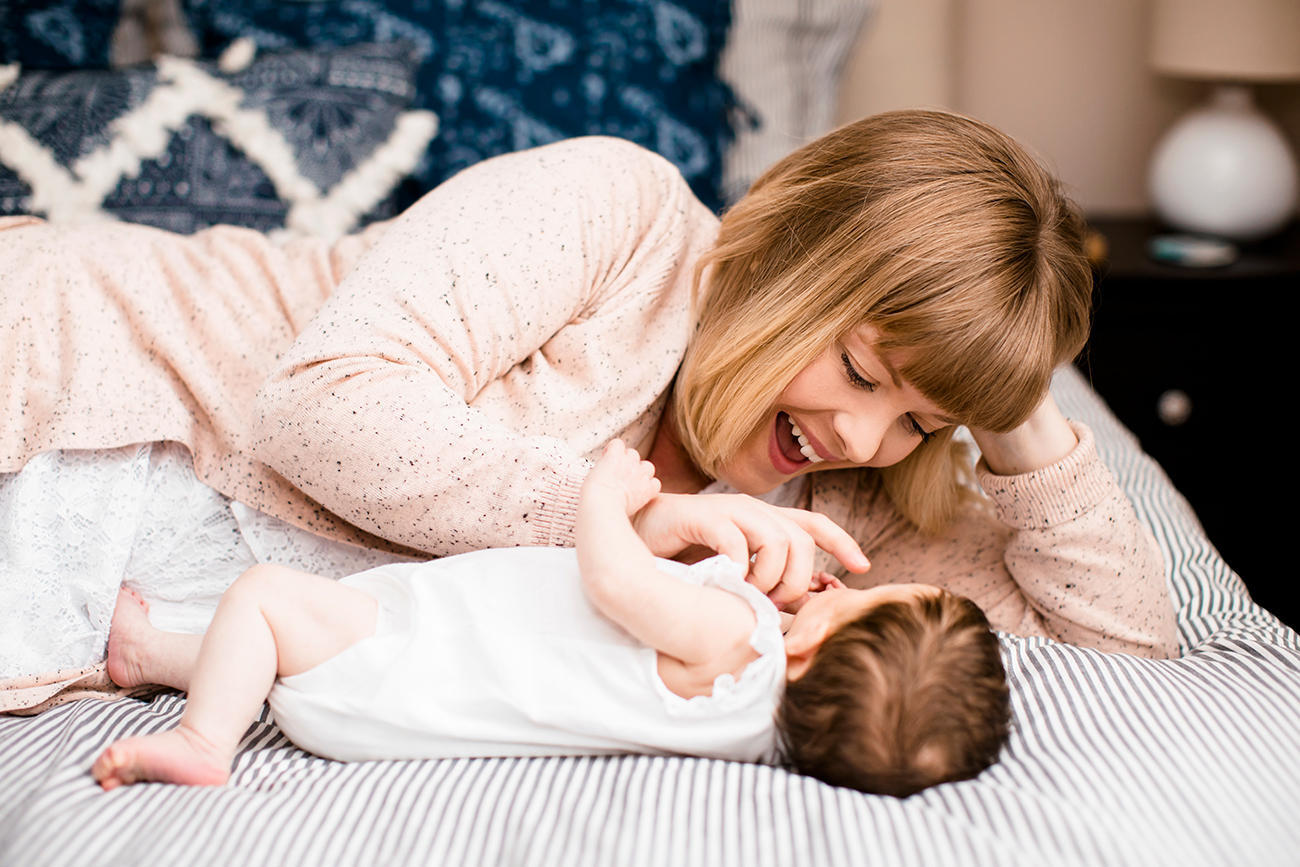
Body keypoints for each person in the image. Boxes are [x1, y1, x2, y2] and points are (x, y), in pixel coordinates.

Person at [1, 110, 1178, 713]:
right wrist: (625, 516)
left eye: (924, 422)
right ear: (786, 256)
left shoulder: (841, 502)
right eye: (865, 373)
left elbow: (1120, 659)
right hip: (78, 373)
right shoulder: (622, 212)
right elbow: (320, 407)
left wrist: (1016, 406)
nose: (867, 437)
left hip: (99, 594)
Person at [92, 440, 1011, 798]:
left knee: (264, 597)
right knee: (281, 648)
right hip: (389, 714)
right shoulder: (747, 734)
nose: (833, 590)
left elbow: (615, 583)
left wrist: (605, 498)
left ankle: (205, 739)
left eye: (857, 601)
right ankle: (148, 651)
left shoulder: (740, 643)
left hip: (410, 658)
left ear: (809, 650)